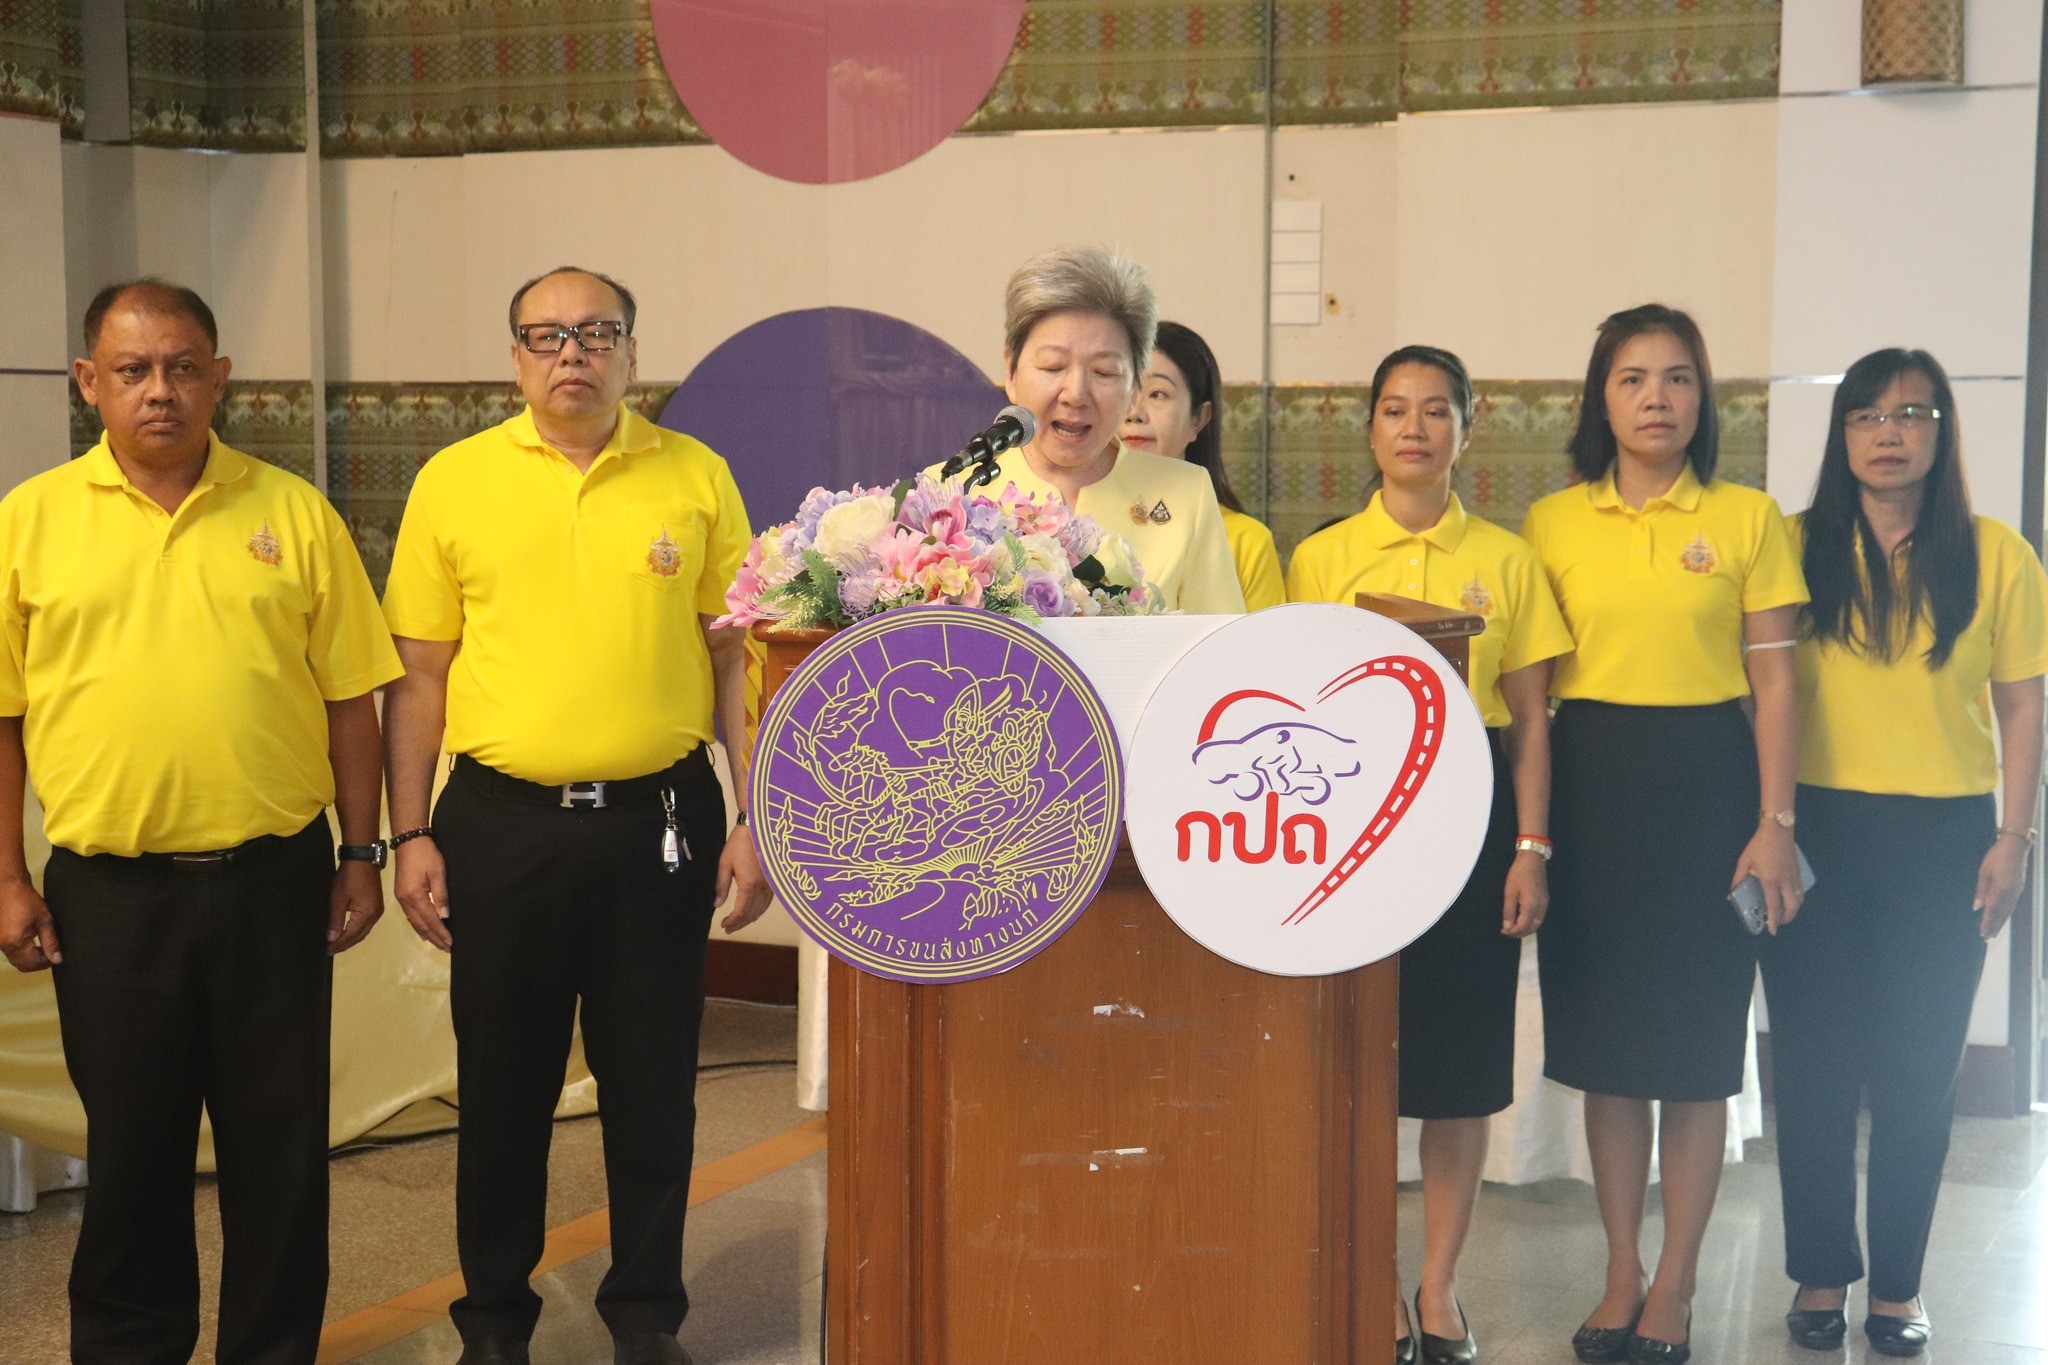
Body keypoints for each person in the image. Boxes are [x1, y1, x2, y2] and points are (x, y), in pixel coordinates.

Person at [0, 279, 400, 1364]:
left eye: (183, 367)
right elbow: (4, 718)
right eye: (132, 370)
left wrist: (361, 852)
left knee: (279, 1149)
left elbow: (351, 701)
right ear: (88, 382)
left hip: (274, 882)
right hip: (109, 894)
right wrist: (9, 877)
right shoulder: (30, 521)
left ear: (220, 378)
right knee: (133, 1153)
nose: (160, 391)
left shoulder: (293, 513)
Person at [379, 265, 773, 1365]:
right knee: (502, 1088)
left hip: (660, 822)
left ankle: (645, 1315)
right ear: (514, 356)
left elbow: (735, 660)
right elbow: (418, 674)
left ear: (632, 353)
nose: (573, 354)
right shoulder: (455, 481)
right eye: (547, 336)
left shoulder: (694, 475)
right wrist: (409, 833)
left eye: (597, 333)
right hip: (498, 824)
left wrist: (756, 817)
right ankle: (493, 1320)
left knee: (653, 1083)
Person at [1520, 304, 1808, 1365]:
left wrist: (1774, 822)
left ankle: (1675, 1283)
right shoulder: (1551, 523)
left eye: (1678, 378)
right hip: (1591, 790)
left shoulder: (1747, 517)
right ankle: (1620, 1271)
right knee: (1606, 1055)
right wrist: (1533, 840)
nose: (1656, 398)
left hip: (1709, 792)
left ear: (1703, 397)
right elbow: (1532, 695)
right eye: (1633, 378)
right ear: (1600, 399)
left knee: (1692, 1056)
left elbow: (1775, 686)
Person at [1288, 345, 1573, 1365]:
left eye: (1436, 410)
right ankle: (1367, 1280)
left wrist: (1529, 847)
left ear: (1467, 427)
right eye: (1395, 409)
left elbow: (1530, 722)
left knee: (1458, 1067)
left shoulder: (1506, 559)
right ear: (1368, 428)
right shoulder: (1322, 559)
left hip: (1471, 816)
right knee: (1359, 1064)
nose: (1414, 428)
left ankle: (1439, 1287)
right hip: (1355, 825)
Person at [1765, 350, 2046, 1359]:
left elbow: (2022, 704)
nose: (1889, 434)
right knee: (1810, 1065)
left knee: (1918, 1070)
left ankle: (1896, 1285)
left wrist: (2014, 837)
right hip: (1812, 829)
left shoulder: (1996, 553)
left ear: (1941, 430)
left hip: (1945, 836)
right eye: (1866, 416)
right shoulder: (1791, 545)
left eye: (1912, 414)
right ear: (1840, 433)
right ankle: (1818, 1272)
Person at [945, 247, 1245, 613]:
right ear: (1011, 371)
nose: (1076, 394)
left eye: (1104, 372)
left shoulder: (1186, 495)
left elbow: (1221, 642)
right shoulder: (952, 491)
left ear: (1135, 387)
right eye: (1053, 367)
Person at [1120, 320, 1283, 609]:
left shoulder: (1247, 542)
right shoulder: (1076, 525)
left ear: (1199, 418)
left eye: (1158, 394)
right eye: (1124, 390)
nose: (1135, 413)